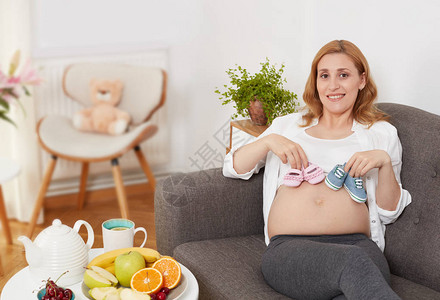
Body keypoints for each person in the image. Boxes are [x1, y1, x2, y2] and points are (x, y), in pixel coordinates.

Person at [223, 40, 412, 300]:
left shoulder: (381, 134)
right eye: (324, 76)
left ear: (361, 80)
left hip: (358, 244)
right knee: (353, 264)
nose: (333, 85)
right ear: (316, 82)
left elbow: (389, 213)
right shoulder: (288, 126)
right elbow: (233, 167)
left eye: (343, 75)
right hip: (290, 248)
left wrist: (384, 162)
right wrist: (267, 141)